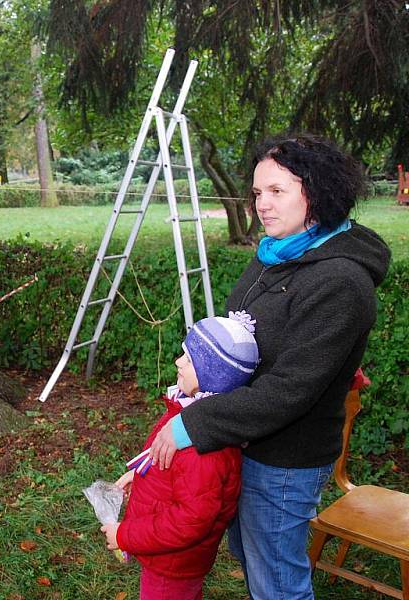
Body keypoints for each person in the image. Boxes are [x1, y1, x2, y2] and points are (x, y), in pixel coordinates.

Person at [146, 133, 391, 599]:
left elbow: (289, 390)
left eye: (277, 191)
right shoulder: (277, 254)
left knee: (278, 583)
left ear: (317, 193)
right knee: (250, 552)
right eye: (258, 192)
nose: (262, 204)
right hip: (245, 440)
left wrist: (193, 424)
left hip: (285, 461)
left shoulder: (340, 282)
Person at [101, 311, 259, 600]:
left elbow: (189, 521)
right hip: (169, 557)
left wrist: (124, 535)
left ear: (212, 373)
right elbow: (166, 461)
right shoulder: (193, 416)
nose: (178, 362)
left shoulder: (205, 450)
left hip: (173, 562)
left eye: (188, 358)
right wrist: (139, 473)